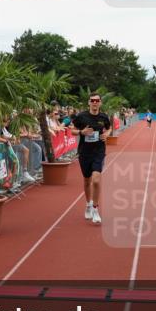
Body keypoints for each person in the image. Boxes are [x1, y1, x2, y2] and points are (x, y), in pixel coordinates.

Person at [71, 92, 111, 225]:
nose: (95, 102)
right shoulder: (82, 116)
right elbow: (72, 130)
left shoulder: (103, 117)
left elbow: (109, 128)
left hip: (98, 152)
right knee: (87, 181)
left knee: (96, 180)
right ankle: (88, 204)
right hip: (84, 153)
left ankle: (95, 209)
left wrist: (107, 134)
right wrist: (81, 132)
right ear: (89, 102)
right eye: (92, 100)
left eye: (97, 100)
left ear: (100, 102)